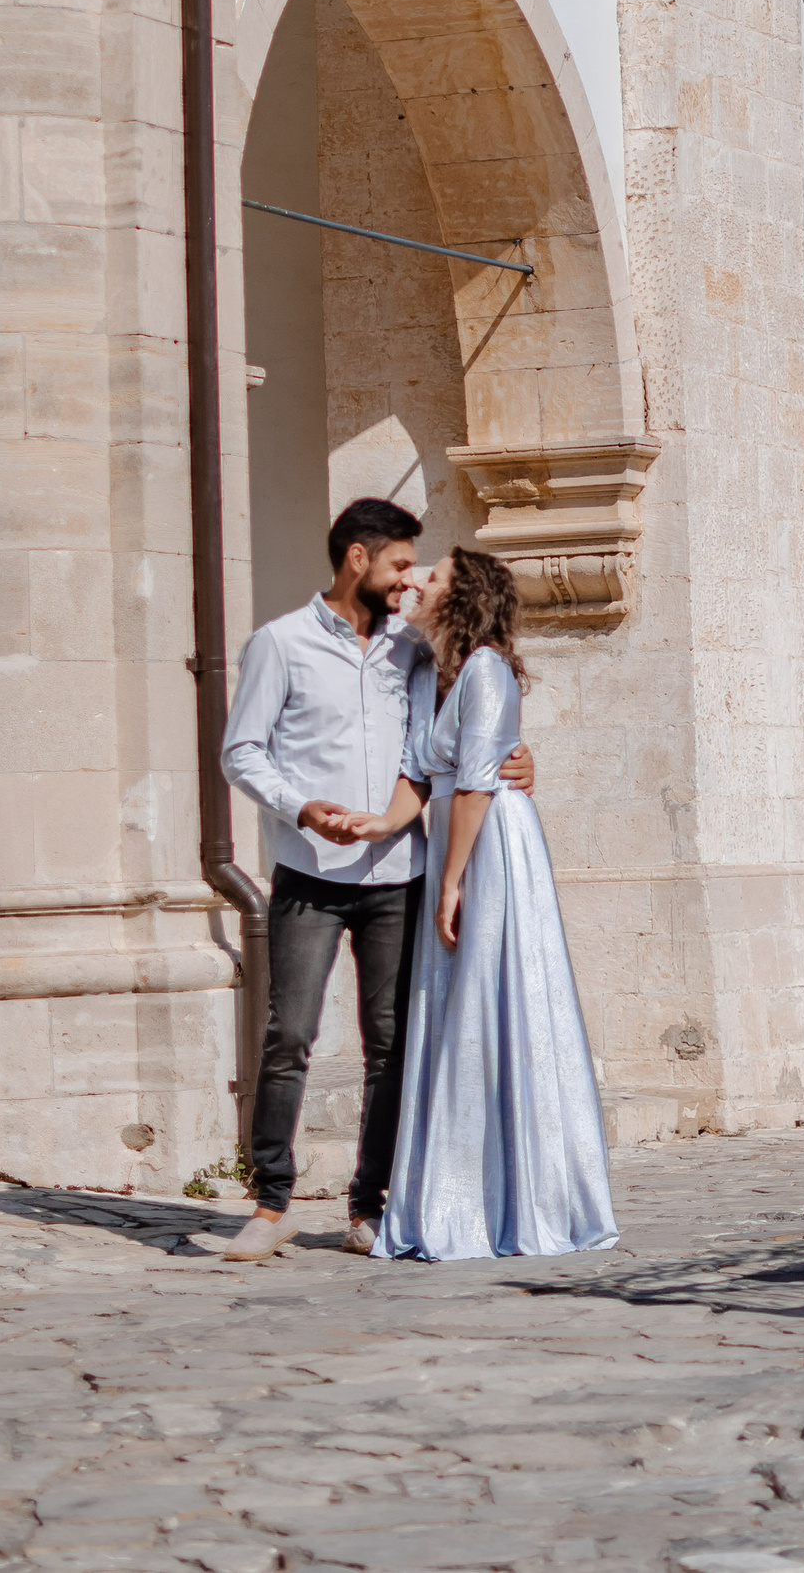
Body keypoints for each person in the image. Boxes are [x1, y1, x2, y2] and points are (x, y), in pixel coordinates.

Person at [217, 498, 533, 1260]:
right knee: (288, 1034)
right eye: (397, 564)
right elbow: (242, 751)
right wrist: (300, 808)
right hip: (310, 870)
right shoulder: (280, 645)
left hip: (400, 874)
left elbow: (459, 730)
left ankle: (370, 1205)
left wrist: (519, 760)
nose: (406, 581)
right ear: (356, 557)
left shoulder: (413, 651)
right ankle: (270, 1202)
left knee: (390, 1042)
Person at [352, 544, 617, 1262]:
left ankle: (514, 1197)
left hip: (490, 844)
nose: (417, 582)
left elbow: (474, 784)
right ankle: (461, 1189)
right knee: (456, 1006)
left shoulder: (487, 670)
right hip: (455, 841)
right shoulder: (426, 673)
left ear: (461, 596)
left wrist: (451, 882)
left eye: (431, 576)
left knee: (492, 997)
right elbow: (419, 770)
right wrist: (379, 825)